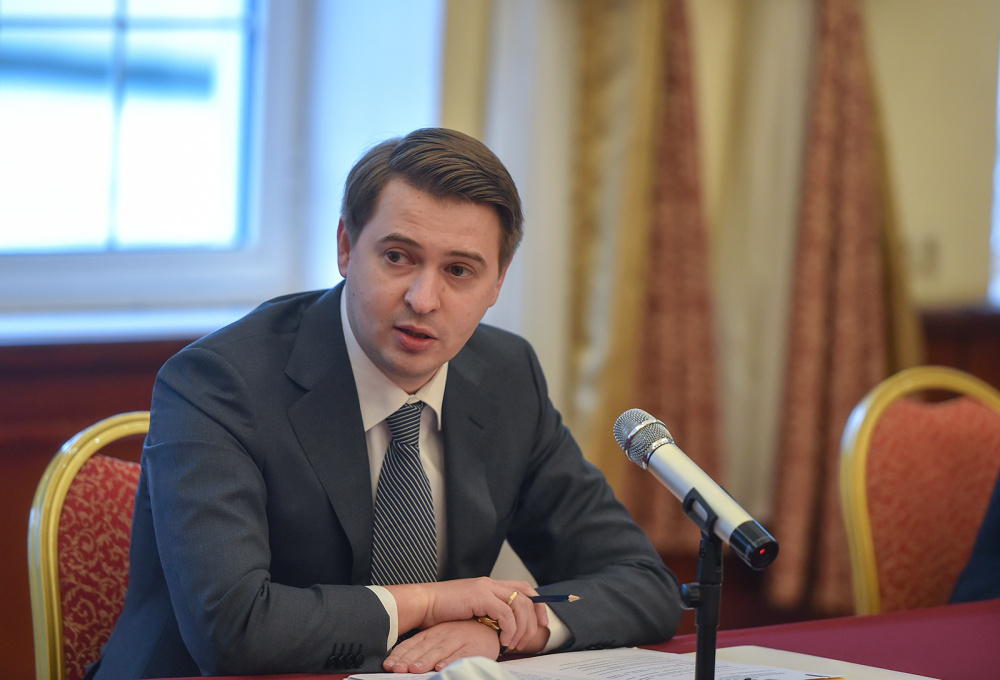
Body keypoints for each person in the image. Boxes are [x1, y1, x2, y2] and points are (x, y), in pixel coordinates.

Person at [89, 128, 682, 679]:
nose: (424, 299)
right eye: (398, 257)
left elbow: (643, 583)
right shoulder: (219, 383)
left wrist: (505, 631)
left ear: (497, 284)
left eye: (459, 270)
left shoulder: (506, 378)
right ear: (347, 248)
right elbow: (233, 629)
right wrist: (430, 603)